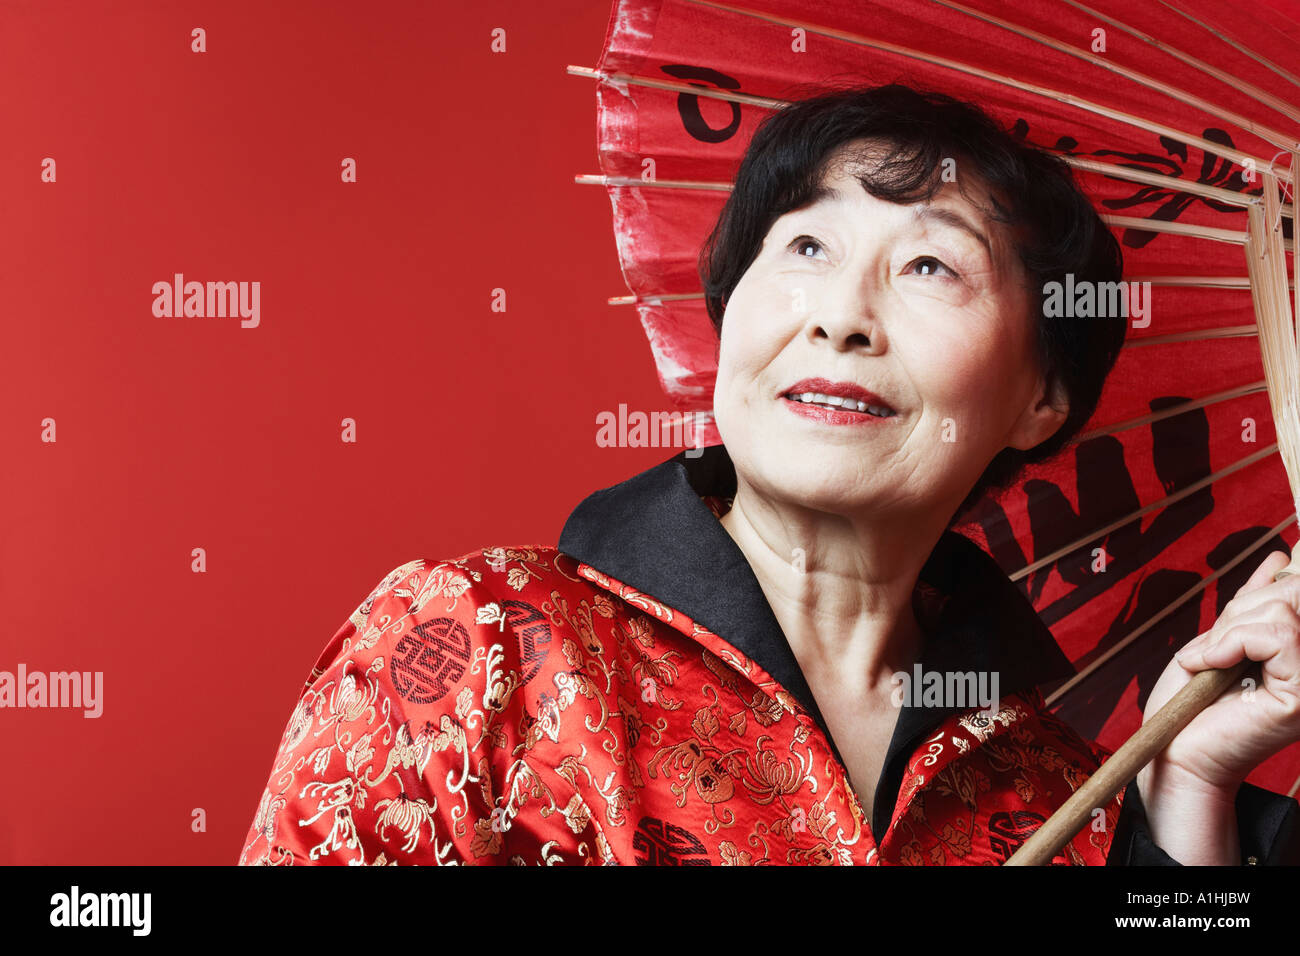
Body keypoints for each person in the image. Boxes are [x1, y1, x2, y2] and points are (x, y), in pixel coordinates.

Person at [237, 83, 1300, 866]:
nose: (838, 315)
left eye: (930, 264)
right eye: (802, 248)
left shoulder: (1069, 793)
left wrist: (1188, 791)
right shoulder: (481, 645)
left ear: (1040, 396)